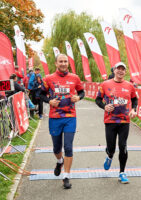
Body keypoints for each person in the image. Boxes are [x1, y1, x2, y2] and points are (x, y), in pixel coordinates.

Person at [40, 54, 85, 189]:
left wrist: (78, 97)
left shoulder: (75, 78)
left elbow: (82, 92)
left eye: (65, 61)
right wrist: (49, 101)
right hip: (55, 118)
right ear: (56, 63)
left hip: (70, 117)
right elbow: (40, 94)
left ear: (68, 63)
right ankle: (59, 161)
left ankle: (66, 176)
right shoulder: (48, 78)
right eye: (61, 61)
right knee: (56, 148)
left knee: (68, 147)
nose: (63, 63)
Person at [95, 61, 137, 184]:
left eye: (123, 69)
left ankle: (122, 173)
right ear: (114, 70)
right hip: (110, 121)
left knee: (123, 146)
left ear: (125, 71)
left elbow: (134, 99)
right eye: (118, 69)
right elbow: (98, 100)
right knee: (112, 148)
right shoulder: (105, 84)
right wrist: (104, 106)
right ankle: (109, 155)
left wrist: (134, 109)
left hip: (124, 121)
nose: (120, 71)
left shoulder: (130, 85)